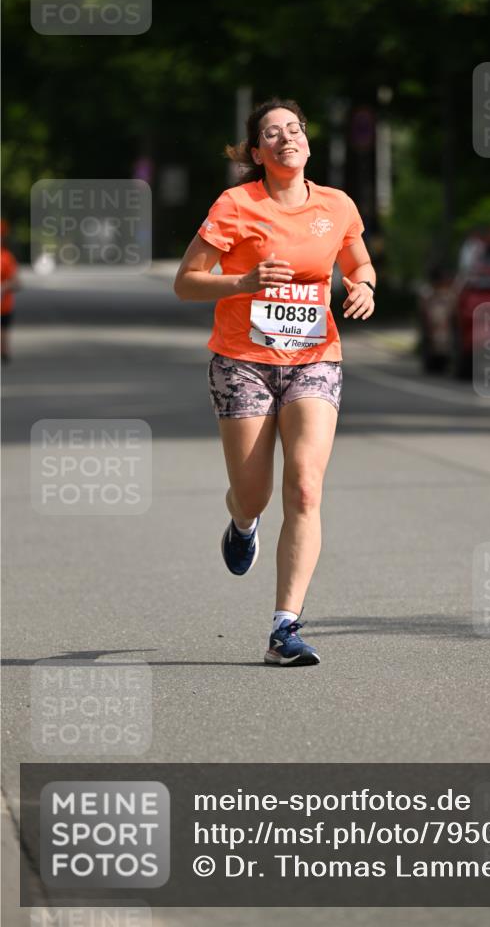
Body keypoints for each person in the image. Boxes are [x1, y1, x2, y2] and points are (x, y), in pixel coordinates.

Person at [174, 97, 377, 666]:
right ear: (258, 152)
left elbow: (359, 263)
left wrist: (364, 286)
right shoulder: (236, 204)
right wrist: (242, 281)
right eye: (272, 133)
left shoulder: (337, 206)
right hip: (242, 360)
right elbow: (186, 282)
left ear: (307, 142)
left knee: (307, 488)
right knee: (254, 492)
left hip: (315, 357)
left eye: (294, 128)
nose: (286, 137)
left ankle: (284, 629)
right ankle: (242, 522)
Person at [1, 220, 20, 364]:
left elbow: (17, 283)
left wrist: (4, 286)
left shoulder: (6, 258)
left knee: (4, 331)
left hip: (4, 305)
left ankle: (4, 351)